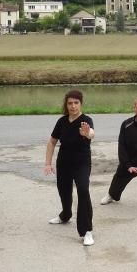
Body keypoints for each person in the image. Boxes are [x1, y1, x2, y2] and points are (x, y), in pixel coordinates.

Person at [43, 90, 96, 246]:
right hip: (64, 162)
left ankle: (87, 231)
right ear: (66, 105)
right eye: (70, 103)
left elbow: (92, 133)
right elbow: (52, 142)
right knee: (64, 191)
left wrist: (88, 134)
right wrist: (48, 163)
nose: (73, 106)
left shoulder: (86, 120)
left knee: (83, 190)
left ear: (81, 103)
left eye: (76, 103)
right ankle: (65, 215)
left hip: (82, 163)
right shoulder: (62, 121)